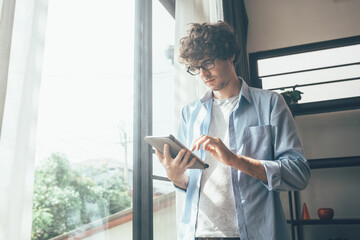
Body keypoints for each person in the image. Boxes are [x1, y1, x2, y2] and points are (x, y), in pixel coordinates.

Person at [156, 21, 310, 240]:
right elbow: (190, 183)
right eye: (196, 68)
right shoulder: (189, 113)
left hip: (255, 235)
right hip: (199, 235)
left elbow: (299, 174)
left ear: (229, 55)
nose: (203, 74)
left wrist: (235, 160)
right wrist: (176, 176)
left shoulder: (271, 104)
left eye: (208, 63)